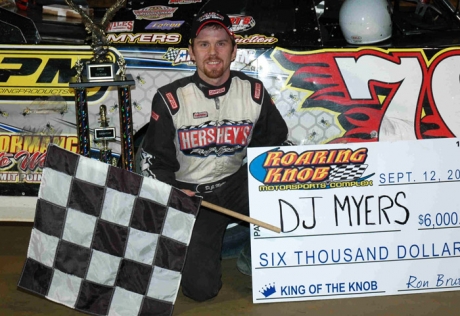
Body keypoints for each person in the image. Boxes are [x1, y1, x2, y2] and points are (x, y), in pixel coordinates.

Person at [138, 11, 292, 302]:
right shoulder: (170, 98)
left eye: (221, 44)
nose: (212, 52)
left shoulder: (254, 92)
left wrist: (273, 184)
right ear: (191, 52)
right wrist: (175, 194)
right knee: (200, 291)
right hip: (194, 196)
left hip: (236, 184)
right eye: (204, 44)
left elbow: (277, 144)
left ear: (234, 51)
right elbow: (154, 163)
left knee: (289, 197)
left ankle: (255, 253)